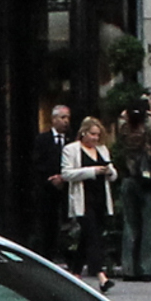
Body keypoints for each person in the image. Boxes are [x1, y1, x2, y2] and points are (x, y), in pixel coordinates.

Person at [114, 93, 151, 282]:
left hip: (129, 180)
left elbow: (122, 119)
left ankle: (130, 268)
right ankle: (150, 268)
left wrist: (127, 113)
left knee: (130, 224)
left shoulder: (124, 130)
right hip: (148, 182)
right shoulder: (148, 132)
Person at [56, 115, 117, 290]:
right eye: (92, 134)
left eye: (97, 135)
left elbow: (113, 174)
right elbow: (67, 174)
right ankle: (101, 276)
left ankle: (75, 274)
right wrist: (92, 171)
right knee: (92, 236)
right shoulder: (71, 150)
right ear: (83, 133)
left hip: (101, 199)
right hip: (83, 199)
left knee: (87, 237)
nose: (95, 138)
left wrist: (108, 171)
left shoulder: (102, 149)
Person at [35, 102, 74, 259]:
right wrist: (51, 178)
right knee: (47, 223)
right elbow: (37, 163)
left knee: (67, 222)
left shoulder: (71, 141)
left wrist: (63, 177)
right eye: (62, 117)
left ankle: (66, 254)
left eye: (68, 118)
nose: (66, 121)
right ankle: (47, 254)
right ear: (53, 119)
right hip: (47, 188)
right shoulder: (43, 139)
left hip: (67, 186)